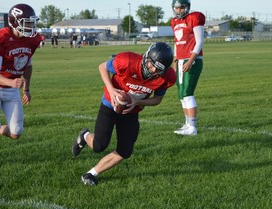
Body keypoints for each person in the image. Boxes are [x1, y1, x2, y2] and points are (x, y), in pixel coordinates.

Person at [72, 42, 176, 186]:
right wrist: (111, 89)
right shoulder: (127, 61)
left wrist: (138, 102)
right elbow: (102, 67)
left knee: (125, 150)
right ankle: (85, 135)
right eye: (151, 64)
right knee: (99, 146)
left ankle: (91, 173)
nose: (151, 69)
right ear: (146, 56)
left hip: (131, 111)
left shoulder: (167, 77)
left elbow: (157, 99)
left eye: (157, 68)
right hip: (110, 104)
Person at [0, 4, 42, 139]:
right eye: (27, 23)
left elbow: (28, 66)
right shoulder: (1, 37)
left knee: (16, 132)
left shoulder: (32, 39)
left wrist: (26, 89)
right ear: (15, 22)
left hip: (11, 90)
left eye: (32, 23)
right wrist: (11, 82)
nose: (31, 27)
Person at [171, 0, 205, 136]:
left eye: (181, 8)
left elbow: (200, 41)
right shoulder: (174, 22)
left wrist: (190, 60)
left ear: (186, 7)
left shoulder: (194, 18)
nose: (178, 10)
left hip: (193, 59)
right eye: (176, 8)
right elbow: (176, 43)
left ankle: (193, 127)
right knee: (181, 95)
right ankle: (187, 124)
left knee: (187, 92)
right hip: (180, 60)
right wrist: (175, 60)